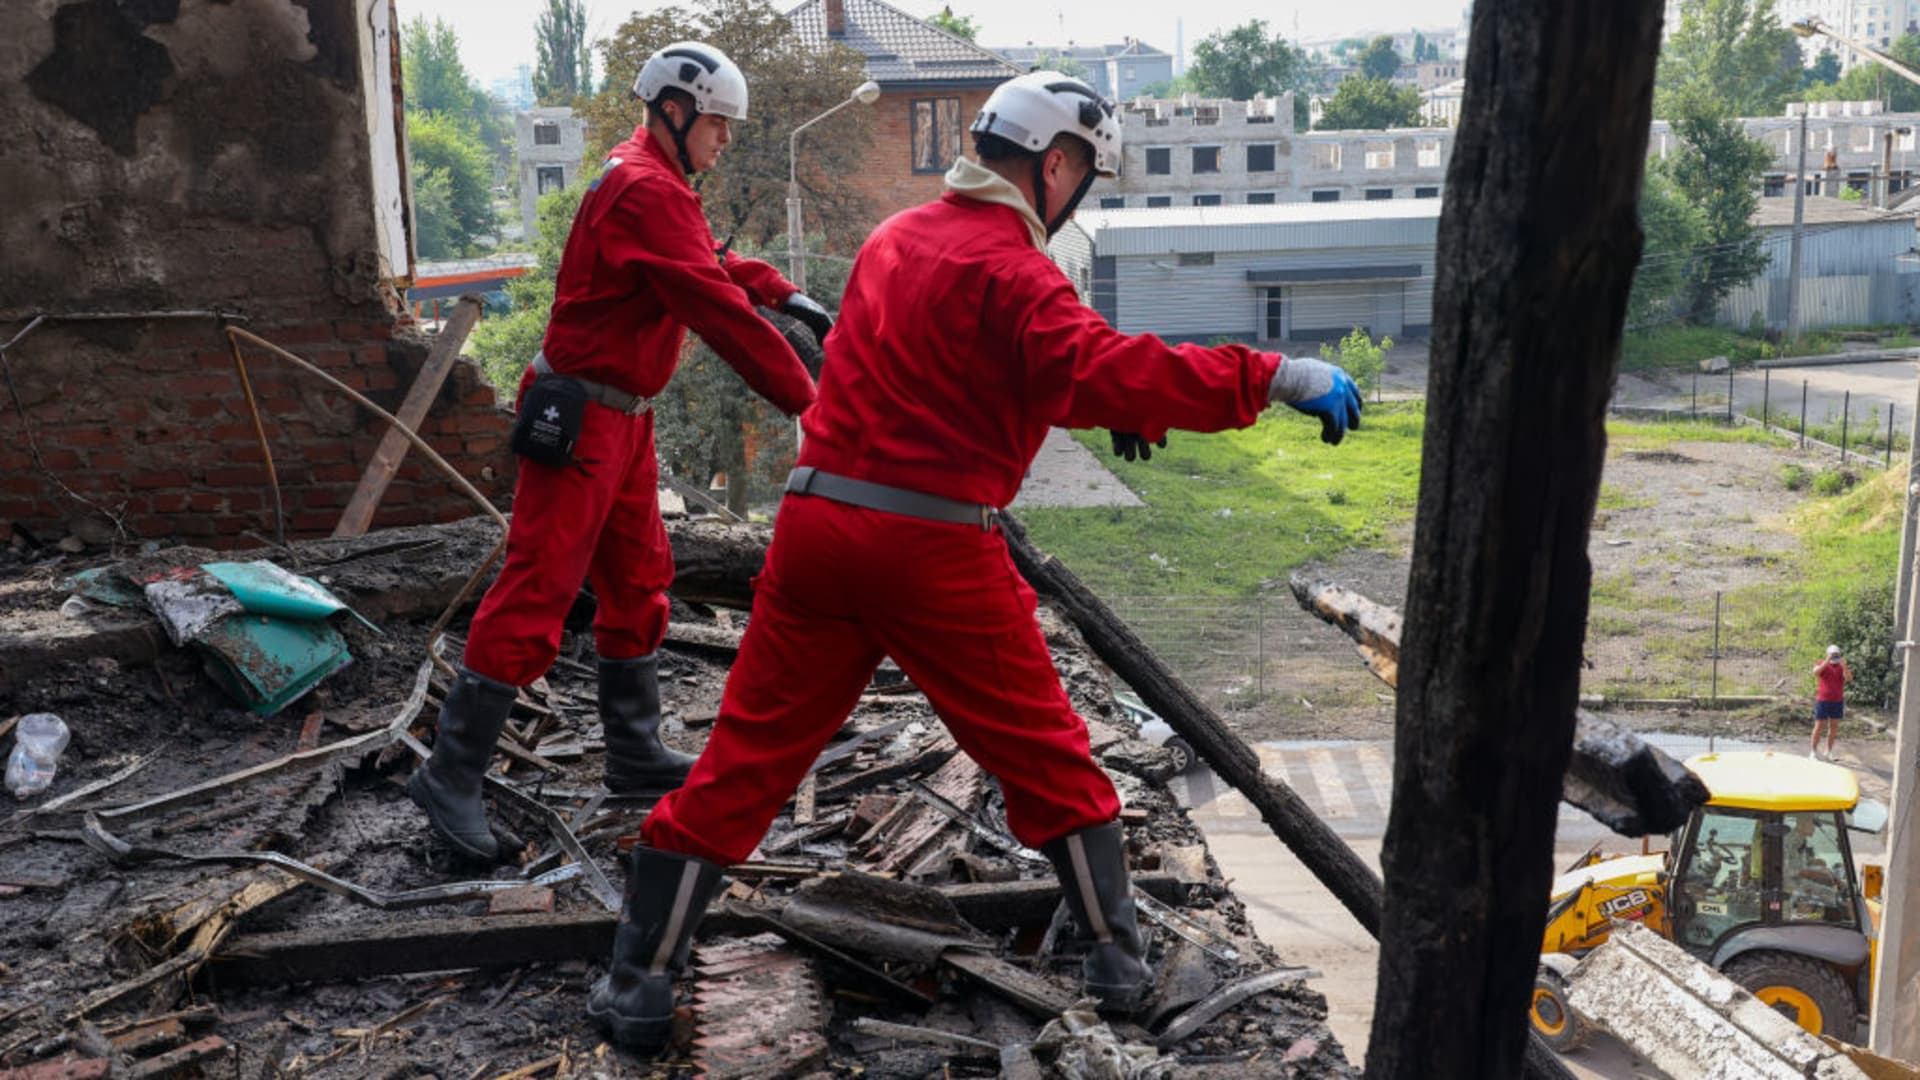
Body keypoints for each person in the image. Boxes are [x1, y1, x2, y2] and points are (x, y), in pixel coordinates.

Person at [584, 70, 1365, 1051]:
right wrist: (1275, 374)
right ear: (1057, 163)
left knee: (745, 761)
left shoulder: (894, 240)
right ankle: (1118, 967)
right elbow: (1084, 367)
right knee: (1046, 752)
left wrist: (1111, 401)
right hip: (932, 548)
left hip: (816, 529)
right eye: (1084, 176)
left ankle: (639, 983)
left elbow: (970, 370)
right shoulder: (1015, 266)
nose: (1079, 196)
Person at [408, 41, 832, 863]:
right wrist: (809, 407)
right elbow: (713, 307)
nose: (726, 139)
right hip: (582, 423)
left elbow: (710, 261)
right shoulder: (643, 188)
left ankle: (633, 752)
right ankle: (451, 774)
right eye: (717, 123)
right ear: (673, 111)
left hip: (623, 421)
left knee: (639, 580)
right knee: (538, 588)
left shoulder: (654, 179)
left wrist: (784, 291)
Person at [1812, 644, 1850, 761]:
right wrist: (1827, 661)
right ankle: (1813, 751)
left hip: (1837, 701)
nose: (1834, 657)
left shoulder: (1841, 666)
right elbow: (1815, 673)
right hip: (1823, 700)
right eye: (1832, 654)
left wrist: (1844, 666)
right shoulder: (1821, 663)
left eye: (1836, 654)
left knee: (1833, 727)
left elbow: (1849, 678)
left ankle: (1829, 751)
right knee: (1818, 726)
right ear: (1827, 654)